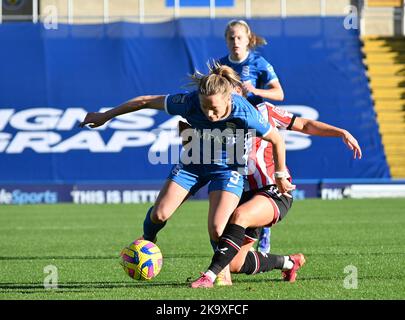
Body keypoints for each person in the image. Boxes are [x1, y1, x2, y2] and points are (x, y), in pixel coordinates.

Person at [79, 63, 295, 285]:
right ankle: (148, 241)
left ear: (229, 100)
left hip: (228, 169)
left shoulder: (244, 111)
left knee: (217, 228)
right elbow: (145, 101)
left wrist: (279, 174)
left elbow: (277, 139)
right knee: (159, 214)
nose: (210, 114)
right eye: (205, 107)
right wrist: (106, 116)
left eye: (215, 109)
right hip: (193, 164)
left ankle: (221, 273)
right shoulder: (189, 102)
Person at [188, 101, 362, 288]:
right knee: (236, 264)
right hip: (243, 194)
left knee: (241, 216)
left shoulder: (264, 110)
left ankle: (210, 276)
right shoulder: (214, 117)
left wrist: (341, 132)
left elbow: (304, 124)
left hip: (274, 190)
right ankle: (289, 262)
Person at [220, 19, 285, 253]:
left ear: (248, 39)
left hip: (257, 128)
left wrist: (255, 91)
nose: (235, 41)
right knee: (238, 179)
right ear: (226, 40)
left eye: (239, 37)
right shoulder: (221, 65)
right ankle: (236, 233)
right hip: (231, 129)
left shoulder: (258, 62)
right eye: (231, 37)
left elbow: (279, 93)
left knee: (258, 177)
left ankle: (263, 230)